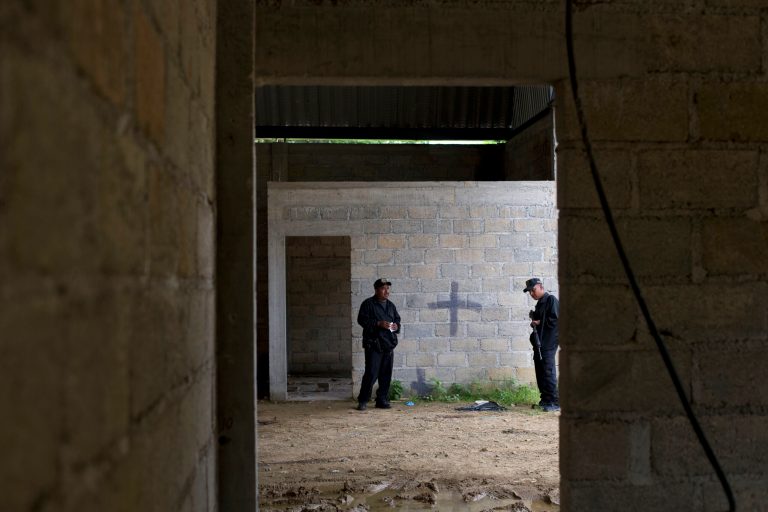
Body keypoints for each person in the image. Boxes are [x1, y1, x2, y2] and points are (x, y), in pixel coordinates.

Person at [356, 278, 401, 411]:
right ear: (376, 290)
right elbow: (361, 320)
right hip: (374, 345)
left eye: (388, 288)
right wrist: (378, 323)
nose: (386, 291)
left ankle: (382, 399)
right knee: (371, 373)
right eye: (383, 288)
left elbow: (397, 321)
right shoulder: (368, 304)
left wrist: (395, 326)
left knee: (385, 374)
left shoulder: (391, 306)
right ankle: (363, 400)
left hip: (388, 345)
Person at [523, 277, 560, 412]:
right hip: (540, 343)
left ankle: (554, 402)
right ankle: (545, 399)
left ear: (541, 287)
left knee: (548, 370)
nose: (532, 294)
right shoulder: (540, 304)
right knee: (540, 369)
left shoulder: (551, 300)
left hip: (550, 342)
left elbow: (557, 320)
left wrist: (538, 322)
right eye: (530, 292)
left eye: (533, 290)